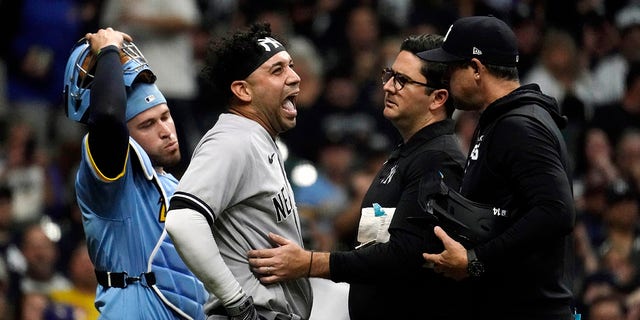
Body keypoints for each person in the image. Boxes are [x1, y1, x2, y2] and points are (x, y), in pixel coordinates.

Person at [246, 34, 468, 319]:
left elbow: (405, 255)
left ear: (437, 98)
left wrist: (310, 263)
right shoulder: (406, 153)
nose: (388, 86)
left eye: (402, 80)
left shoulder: (438, 158)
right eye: (389, 74)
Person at [416, 15, 576, 319]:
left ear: (476, 69)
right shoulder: (499, 120)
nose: (446, 79)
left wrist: (475, 260)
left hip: (530, 310)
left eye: (451, 68)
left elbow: (556, 211)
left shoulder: (519, 126)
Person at [164, 22, 312, 320]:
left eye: (291, 66)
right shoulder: (233, 140)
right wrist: (237, 302)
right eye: (277, 70)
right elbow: (183, 220)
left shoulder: (256, 137)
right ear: (243, 90)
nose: (295, 78)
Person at [62, 28, 207, 319]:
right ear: (126, 138)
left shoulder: (172, 184)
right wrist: (108, 51)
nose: (165, 131)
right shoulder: (109, 178)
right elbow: (108, 117)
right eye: (147, 125)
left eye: (165, 117)